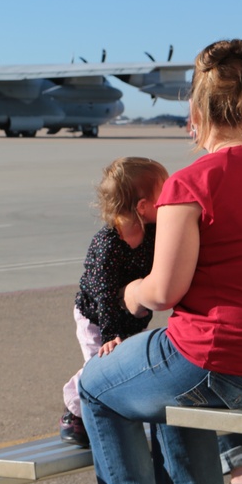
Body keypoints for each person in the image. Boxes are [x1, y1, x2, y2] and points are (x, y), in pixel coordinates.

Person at [78, 39, 242, 484]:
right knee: (172, 391)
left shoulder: (191, 182)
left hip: (235, 364)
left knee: (97, 385)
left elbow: (163, 292)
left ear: (197, 113)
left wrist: (128, 292)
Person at [59, 157, 168, 448]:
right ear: (143, 207)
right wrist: (109, 334)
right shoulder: (107, 244)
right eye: (164, 193)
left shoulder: (153, 233)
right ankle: (72, 411)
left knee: (121, 367)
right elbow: (103, 293)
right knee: (98, 366)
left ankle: (112, 411)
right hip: (95, 317)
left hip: (130, 317)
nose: (170, 198)